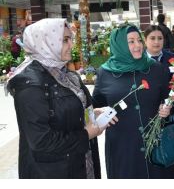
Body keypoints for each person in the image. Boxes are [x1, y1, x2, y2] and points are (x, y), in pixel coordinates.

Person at [6, 18, 104, 179]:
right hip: (53, 172)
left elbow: (68, 110)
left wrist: (93, 113)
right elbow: (40, 141)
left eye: (70, 39)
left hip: (77, 162)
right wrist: (85, 135)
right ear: (45, 42)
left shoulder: (63, 73)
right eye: (64, 40)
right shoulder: (30, 84)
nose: (71, 45)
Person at [92, 23, 174, 179]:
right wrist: (98, 113)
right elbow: (93, 105)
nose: (138, 45)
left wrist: (167, 107)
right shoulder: (105, 72)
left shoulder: (156, 68)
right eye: (131, 41)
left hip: (156, 145)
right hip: (123, 148)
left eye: (139, 40)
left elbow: (168, 98)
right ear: (120, 44)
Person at [144, 25, 174, 121]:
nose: (156, 42)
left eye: (160, 38)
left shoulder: (173, 58)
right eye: (152, 38)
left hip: (171, 109)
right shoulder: (138, 60)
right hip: (147, 112)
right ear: (145, 40)